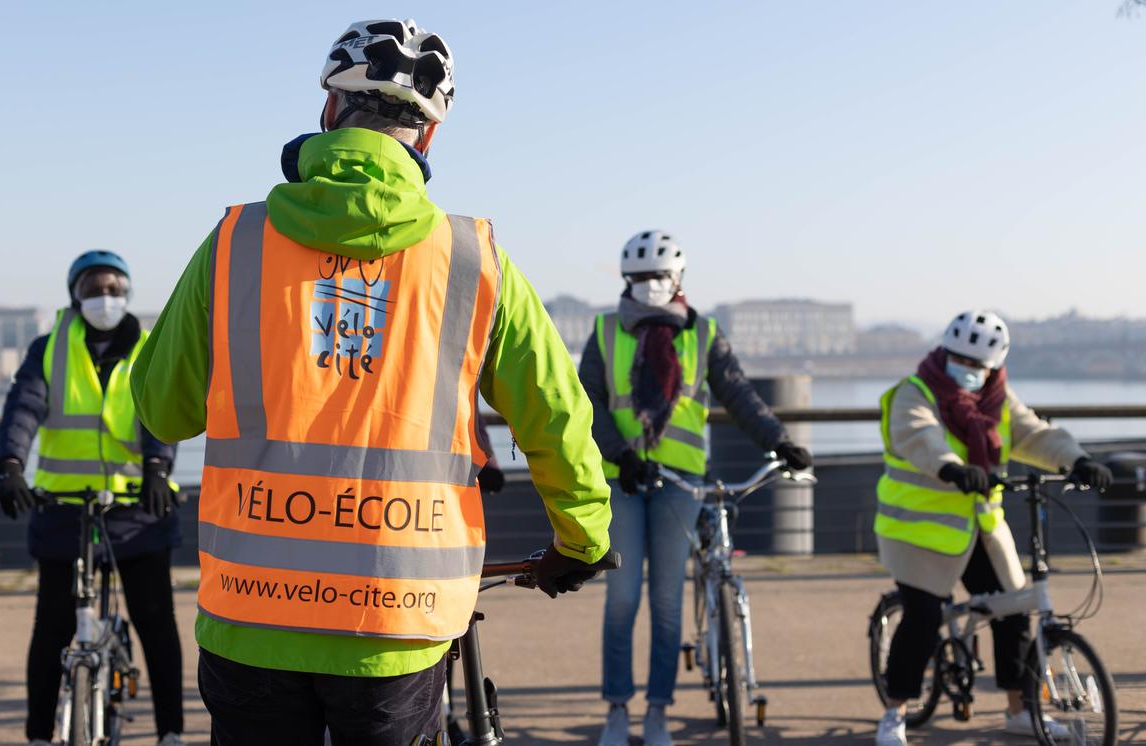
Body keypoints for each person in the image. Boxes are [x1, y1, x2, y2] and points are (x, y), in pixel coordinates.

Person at [129, 18, 613, 745]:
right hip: (397, 617)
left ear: (328, 111)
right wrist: (581, 539)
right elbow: (556, 416)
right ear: (429, 137)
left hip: (252, 616)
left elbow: (162, 410)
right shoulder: (474, 261)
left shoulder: (236, 242)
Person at [578, 231, 813, 746]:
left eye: (659, 277)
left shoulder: (704, 334)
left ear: (679, 279)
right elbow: (587, 404)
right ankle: (617, 709)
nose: (650, 287)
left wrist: (781, 441)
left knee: (666, 602)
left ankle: (657, 711)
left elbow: (740, 394)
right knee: (622, 599)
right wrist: (621, 454)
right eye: (640, 279)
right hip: (622, 478)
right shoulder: (604, 330)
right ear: (625, 281)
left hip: (680, 486)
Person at [873, 310, 1113, 746]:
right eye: (960, 360)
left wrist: (1077, 460)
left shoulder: (998, 398)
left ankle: (1020, 710)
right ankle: (895, 713)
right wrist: (952, 469)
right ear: (945, 352)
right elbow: (919, 436)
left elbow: (1035, 434)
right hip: (916, 532)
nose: (968, 370)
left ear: (994, 367)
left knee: (1016, 607)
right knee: (924, 617)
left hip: (979, 526)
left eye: (978, 366)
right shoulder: (914, 393)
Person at [0, 250, 185, 746]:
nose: (106, 297)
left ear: (128, 293)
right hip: (64, 510)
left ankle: (171, 733)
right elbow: (23, 408)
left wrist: (159, 468)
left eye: (115, 288)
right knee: (52, 627)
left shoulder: (148, 346)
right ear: (74, 295)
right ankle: (38, 735)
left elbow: (160, 412)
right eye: (95, 288)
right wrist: (11, 465)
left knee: (155, 622)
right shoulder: (48, 348)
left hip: (136, 511)